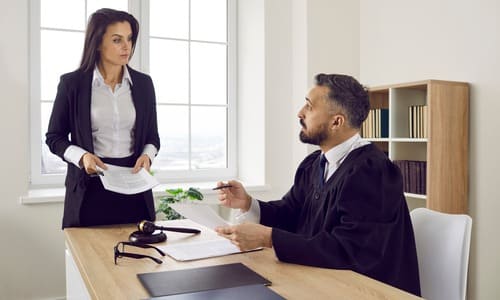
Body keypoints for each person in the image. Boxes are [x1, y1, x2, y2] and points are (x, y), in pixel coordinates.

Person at [215, 73, 421, 296]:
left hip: (365, 292)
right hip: (320, 282)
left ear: (336, 121)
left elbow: (348, 250)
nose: (300, 113)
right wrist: (247, 203)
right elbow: (291, 213)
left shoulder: (373, 171)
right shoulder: (315, 163)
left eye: (309, 107)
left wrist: (268, 238)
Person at [46, 8, 160, 229]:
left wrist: (147, 156)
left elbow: (152, 137)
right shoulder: (72, 84)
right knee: (90, 260)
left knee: (139, 261)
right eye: (117, 40)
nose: (127, 46)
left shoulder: (144, 84)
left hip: (134, 189)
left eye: (129, 38)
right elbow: (54, 137)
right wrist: (82, 157)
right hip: (90, 189)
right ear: (98, 43)